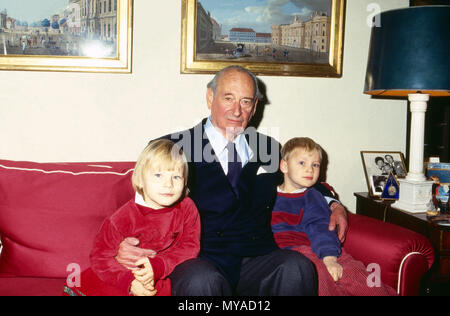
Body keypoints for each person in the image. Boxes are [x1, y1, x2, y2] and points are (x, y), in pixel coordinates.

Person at [115, 65, 348, 296]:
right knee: (201, 281)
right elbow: (137, 207)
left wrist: (334, 204)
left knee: (296, 266)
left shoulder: (267, 147)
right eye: (229, 98)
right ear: (210, 97)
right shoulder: (172, 148)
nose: (237, 111)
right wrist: (123, 244)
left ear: (255, 106)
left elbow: (301, 178)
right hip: (197, 257)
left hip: (256, 255)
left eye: (246, 101)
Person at [64, 139, 201, 296]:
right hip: (121, 276)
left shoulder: (187, 207)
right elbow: (100, 257)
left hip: (157, 276)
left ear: (185, 182)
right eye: (158, 175)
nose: (168, 184)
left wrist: (158, 266)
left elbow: (190, 246)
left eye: (176, 177)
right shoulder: (122, 218)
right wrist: (129, 282)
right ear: (141, 180)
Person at [271, 137, 397, 296]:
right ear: (284, 166)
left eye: (315, 165)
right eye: (302, 163)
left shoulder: (313, 196)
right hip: (293, 253)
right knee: (319, 278)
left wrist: (330, 258)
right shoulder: (267, 194)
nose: (310, 170)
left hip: (325, 248)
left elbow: (320, 227)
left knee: (362, 277)